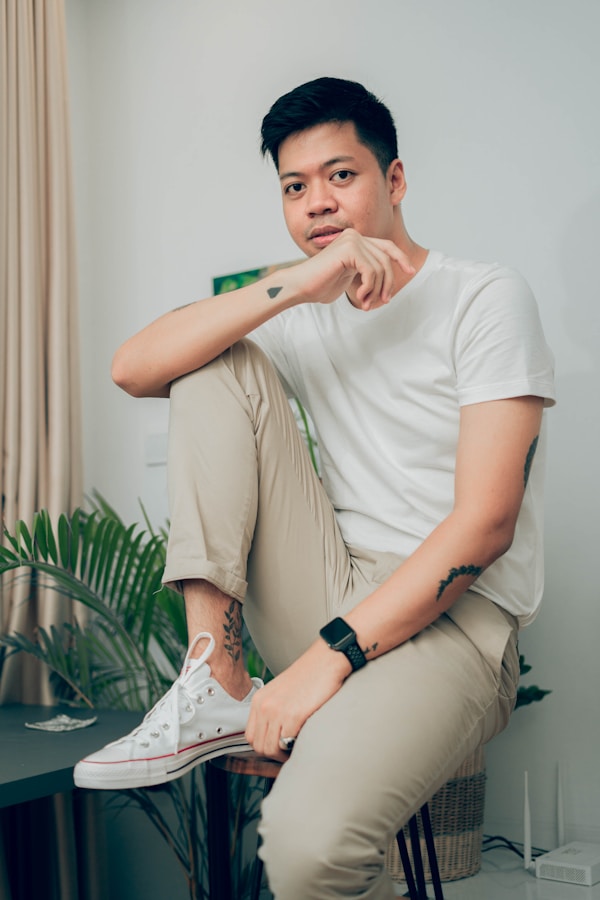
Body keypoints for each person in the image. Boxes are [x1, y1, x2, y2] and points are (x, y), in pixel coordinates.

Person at [74, 77, 555, 899]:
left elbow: (485, 524)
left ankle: (273, 690)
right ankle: (216, 680)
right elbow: (133, 368)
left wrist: (324, 662)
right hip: (330, 579)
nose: (318, 202)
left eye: (341, 175)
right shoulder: (306, 307)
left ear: (394, 180)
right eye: (295, 187)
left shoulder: (483, 296)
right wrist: (296, 284)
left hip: (453, 619)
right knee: (212, 358)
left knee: (306, 849)